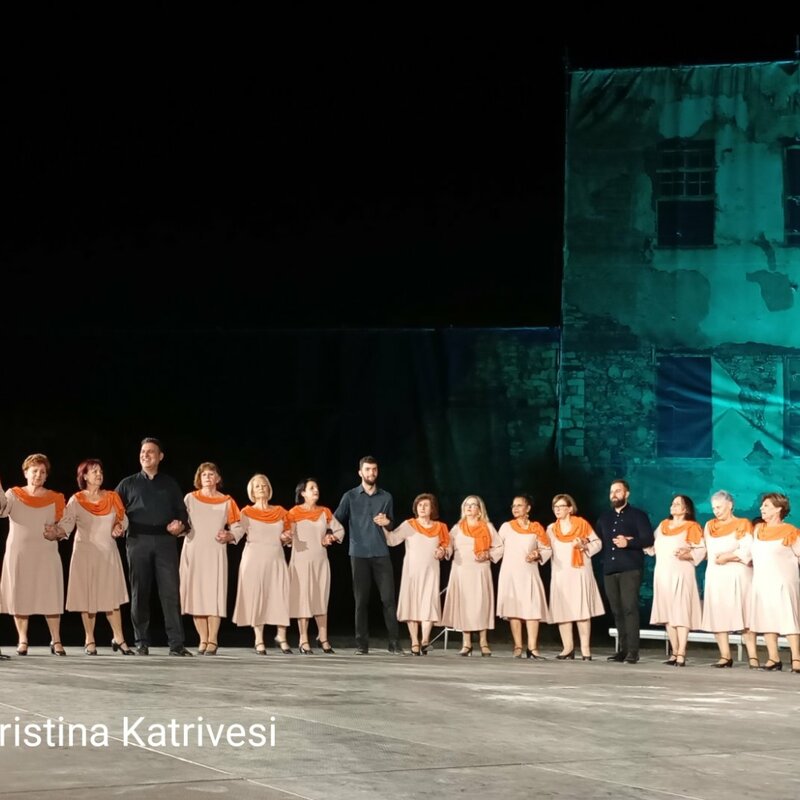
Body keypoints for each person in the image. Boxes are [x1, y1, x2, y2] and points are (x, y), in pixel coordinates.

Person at [115, 437, 193, 656]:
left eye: (150, 452)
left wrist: (180, 525)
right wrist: (115, 526)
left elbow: (182, 513)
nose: (145, 455)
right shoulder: (127, 483)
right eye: (143, 452)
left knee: (170, 592)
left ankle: (176, 644)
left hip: (165, 542)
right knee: (139, 592)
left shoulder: (170, 484)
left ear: (160, 457)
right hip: (137, 540)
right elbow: (113, 510)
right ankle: (141, 641)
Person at [57, 459, 134, 655]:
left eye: (100, 471)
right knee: (88, 597)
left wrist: (119, 527)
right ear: (84, 476)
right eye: (94, 471)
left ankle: (119, 638)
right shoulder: (76, 499)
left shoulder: (112, 497)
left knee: (111, 597)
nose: (99, 474)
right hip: (85, 553)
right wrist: (55, 532)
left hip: (108, 552)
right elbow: (67, 524)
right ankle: (89, 638)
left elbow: (123, 519)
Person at [334, 455, 404, 655]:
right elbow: (336, 519)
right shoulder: (350, 496)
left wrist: (387, 522)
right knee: (361, 601)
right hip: (359, 554)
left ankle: (394, 642)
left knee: (388, 599)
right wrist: (331, 534)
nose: (371, 473)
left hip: (381, 553)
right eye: (367, 469)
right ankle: (361, 644)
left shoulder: (386, 497)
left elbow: (391, 523)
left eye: (374, 469)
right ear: (360, 472)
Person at [0, 454, 67, 656]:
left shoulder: (55, 498)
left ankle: (56, 640)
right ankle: (22, 639)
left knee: (51, 595)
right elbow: (1, 509)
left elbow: (65, 525)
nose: (38, 475)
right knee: (20, 594)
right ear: (25, 473)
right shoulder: (13, 494)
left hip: (46, 553)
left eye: (42, 472)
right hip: (19, 553)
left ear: (46, 476)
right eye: (34, 470)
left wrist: (58, 532)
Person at [180, 462, 243, 655]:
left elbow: (238, 527)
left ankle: (213, 639)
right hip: (193, 551)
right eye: (204, 474)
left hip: (215, 552)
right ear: (199, 479)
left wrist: (230, 535)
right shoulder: (190, 499)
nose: (207, 477)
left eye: (211, 474)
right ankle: (203, 639)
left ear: (218, 478)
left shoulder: (227, 501)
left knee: (214, 595)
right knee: (196, 595)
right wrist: (177, 528)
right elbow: (181, 523)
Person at [232, 474, 293, 654]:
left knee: (281, 595)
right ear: (251, 491)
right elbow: (237, 532)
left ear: (269, 489)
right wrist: (227, 535)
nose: (261, 488)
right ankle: (258, 639)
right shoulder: (246, 512)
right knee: (257, 598)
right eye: (257, 486)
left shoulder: (281, 512)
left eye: (264, 485)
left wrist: (286, 537)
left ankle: (281, 636)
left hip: (275, 557)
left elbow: (287, 535)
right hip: (254, 558)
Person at [595, 479, 654, 664]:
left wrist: (628, 542)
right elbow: (597, 541)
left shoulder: (638, 515)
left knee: (629, 609)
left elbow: (648, 539)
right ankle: (622, 650)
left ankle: (633, 652)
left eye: (618, 491)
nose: (614, 494)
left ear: (626, 494)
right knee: (617, 611)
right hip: (610, 569)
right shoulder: (604, 518)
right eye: (612, 491)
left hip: (630, 568)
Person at [383, 493, 449, 655]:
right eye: (420, 505)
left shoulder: (441, 527)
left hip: (431, 571)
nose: (422, 508)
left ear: (432, 508)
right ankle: (414, 641)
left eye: (426, 505)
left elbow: (447, 546)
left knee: (429, 603)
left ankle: (425, 641)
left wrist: (442, 550)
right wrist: (383, 526)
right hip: (411, 572)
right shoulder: (409, 525)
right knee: (412, 604)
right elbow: (392, 540)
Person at [286, 478, 345, 654]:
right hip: (301, 561)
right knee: (303, 599)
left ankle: (323, 637)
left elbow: (339, 530)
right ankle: (303, 639)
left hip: (320, 561)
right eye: (311, 488)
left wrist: (330, 537)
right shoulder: (293, 513)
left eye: (316, 487)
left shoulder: (324, 512)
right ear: (303, 493)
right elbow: (286, 535)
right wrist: (287, 538)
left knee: (321, 598)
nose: (316, 490)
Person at [699, 490, 757, 668]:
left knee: (745, 615)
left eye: (719, 507)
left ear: (730, 505)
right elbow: (705, 549)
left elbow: (748, 549)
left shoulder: (742, 523)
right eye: (714, 508)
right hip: (716, 575)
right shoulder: (709, 526)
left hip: (738, 574)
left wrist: (728, 556)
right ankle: (725, 656)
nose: (716, 511)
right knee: (718, 614)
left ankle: (753, 657)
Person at [441, 495, 503, 656]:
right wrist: (444, 551)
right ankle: (466, 643)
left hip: (480, 570)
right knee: (464, 606)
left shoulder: (487, 526)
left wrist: (488, 554)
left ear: (479, 510)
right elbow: (448, 545)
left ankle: (483, 642)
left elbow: (499, 547)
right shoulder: (457, 528)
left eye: (473, 505)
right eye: (466, 504)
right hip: (461, 570)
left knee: (481, 605)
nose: (469, 507)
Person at [647, 495, 704, 667]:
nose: (673, 506)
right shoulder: (663, 525)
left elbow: (701, 550)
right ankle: (674, 651)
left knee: (681, 611)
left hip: (681, 572)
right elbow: (651, 546)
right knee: (667, 613)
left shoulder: (692, 526)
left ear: (686, 509)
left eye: (678, 504)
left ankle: (682, 652)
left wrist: (688, 554)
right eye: (672, 503)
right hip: (663, 573)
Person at [546, 493, 604, 660]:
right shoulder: (551, 529)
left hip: (579, 571)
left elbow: (598, 543)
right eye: (555, 507)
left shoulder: (582, 524)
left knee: (581, 610)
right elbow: (546, 548)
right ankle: (567, 648)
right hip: (560, 573)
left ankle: (585, 650)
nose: (557, 510)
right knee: (563, 610)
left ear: (570, 509)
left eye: (561, 506)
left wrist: (584, 546)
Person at [495, 494, 551, 659]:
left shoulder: (536, 527)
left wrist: (537, 553)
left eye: (519, 505)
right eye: (513, 506)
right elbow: (497, 547)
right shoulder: (506, 527)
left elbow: (546, 549)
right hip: (510, 573)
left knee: (532, 609)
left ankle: (532, 648)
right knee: (514, 610)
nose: (515, 508)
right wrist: (485, 554)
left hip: (529, 572)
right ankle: (518, 646)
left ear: (528, 508)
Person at [749, 493, 800, 672]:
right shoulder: (758, 530)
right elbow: (750, 553)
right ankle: (773, 658)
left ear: (778, 509)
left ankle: (796, 658)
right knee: (766, 617)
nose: (761, 508)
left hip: (784, 581)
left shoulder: (790, 531)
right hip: (762, 580)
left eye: (766, 506)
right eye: (762, 505)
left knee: (789, 618)